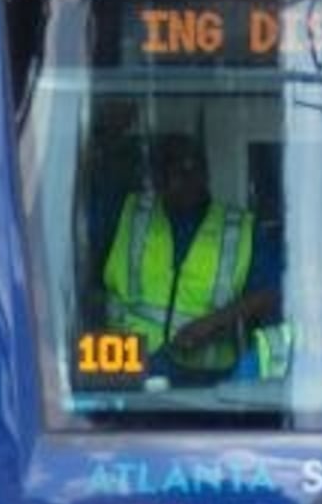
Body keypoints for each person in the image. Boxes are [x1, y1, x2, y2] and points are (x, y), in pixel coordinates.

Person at [100, 131, 266, 378]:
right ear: (156, 178)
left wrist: (213, 323)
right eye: (169, 172)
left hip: (204, 379)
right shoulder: (127, 212)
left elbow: (269, 293)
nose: (179, 181)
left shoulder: (240, 228)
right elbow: (72, 277)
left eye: (189, 170)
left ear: (205, 174)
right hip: (123, 367)